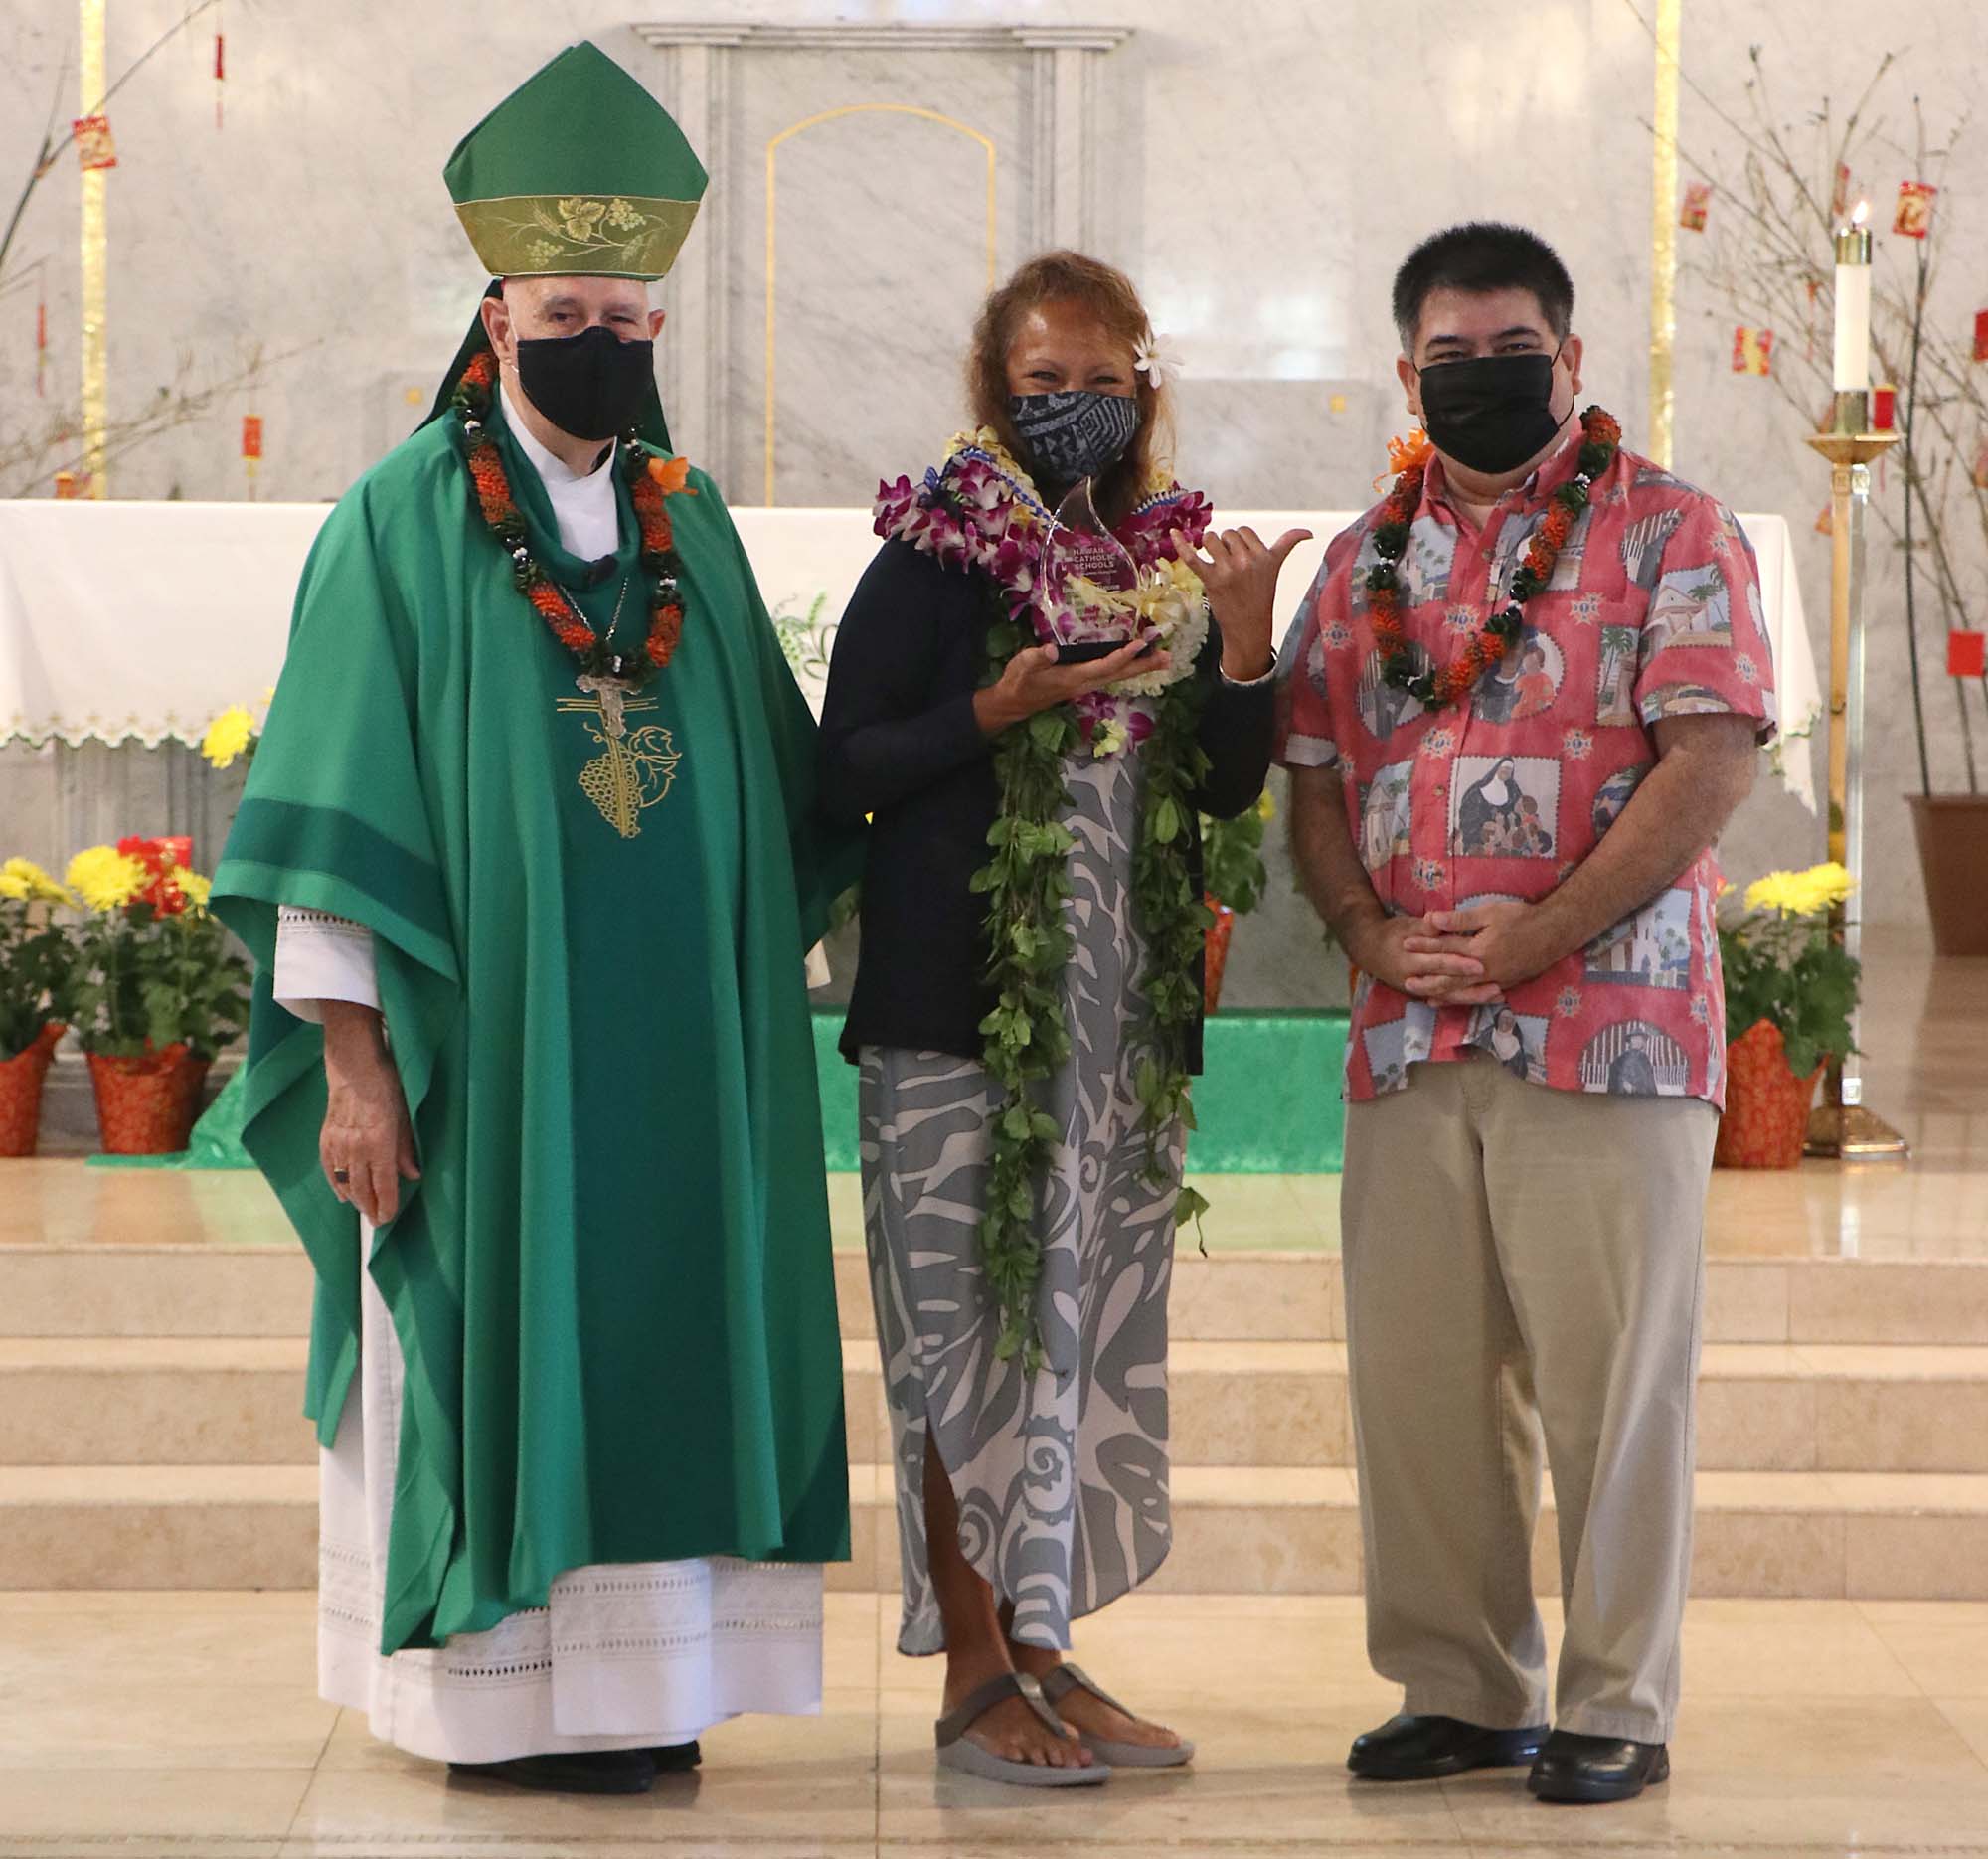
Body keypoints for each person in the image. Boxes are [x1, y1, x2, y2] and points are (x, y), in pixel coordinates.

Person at [213, 43, 858, 1797]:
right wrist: (359, 1068)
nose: (601, 343)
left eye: (629, 321)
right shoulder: (402, 521)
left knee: (665, 1319)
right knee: (504, 1317)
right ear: (496, 319)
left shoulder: (689, 526)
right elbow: (335, 813)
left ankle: (653, 1684)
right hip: (484, 1053)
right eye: (567, 313)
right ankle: (493, 1702)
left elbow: (783, 791)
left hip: (677, 1059)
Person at [1277, 222, 1774, 1806]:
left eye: (1512, 353)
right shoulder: (1360, 560)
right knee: (1419, 1385)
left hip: (1608, 1024)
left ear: (1570, 359)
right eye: (1451, 356)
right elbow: (1311, 776)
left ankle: (1615, 1698)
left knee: (1612, 1383)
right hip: (1412, 1027)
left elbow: (1710, 761)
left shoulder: (1673, 529)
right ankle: (1464, 1685)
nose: (1480, 377)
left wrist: (1541, 932)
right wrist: (1371, 933)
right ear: (1405, 371)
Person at [819, 252, 1298, 1787]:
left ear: (1143, 389)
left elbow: (1221, 785)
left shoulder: (1162, 567)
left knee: (1070, 1339)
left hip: (1110, 1029)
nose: (1075, 406)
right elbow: (845, 764)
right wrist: (999, 708)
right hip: (954, 1018)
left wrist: (1245, 644)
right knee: (960, 1338)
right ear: (994, 388)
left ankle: (1044, 1644)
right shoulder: (934, 559)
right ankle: (974, 1673)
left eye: (1102, 381)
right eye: (1045, 382)